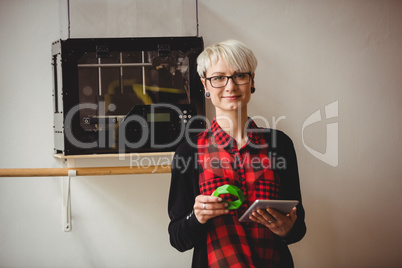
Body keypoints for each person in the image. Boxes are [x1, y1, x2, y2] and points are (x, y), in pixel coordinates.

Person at [168, 39, 306, 268]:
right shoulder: (189, 151)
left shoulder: (279, 144)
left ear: (251, 81)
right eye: (219, 78)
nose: (230, 86)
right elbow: (178, 238)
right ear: (205, 85)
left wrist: (287, 228)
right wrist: (198, 217)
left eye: (239, 75)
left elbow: (298, 227)